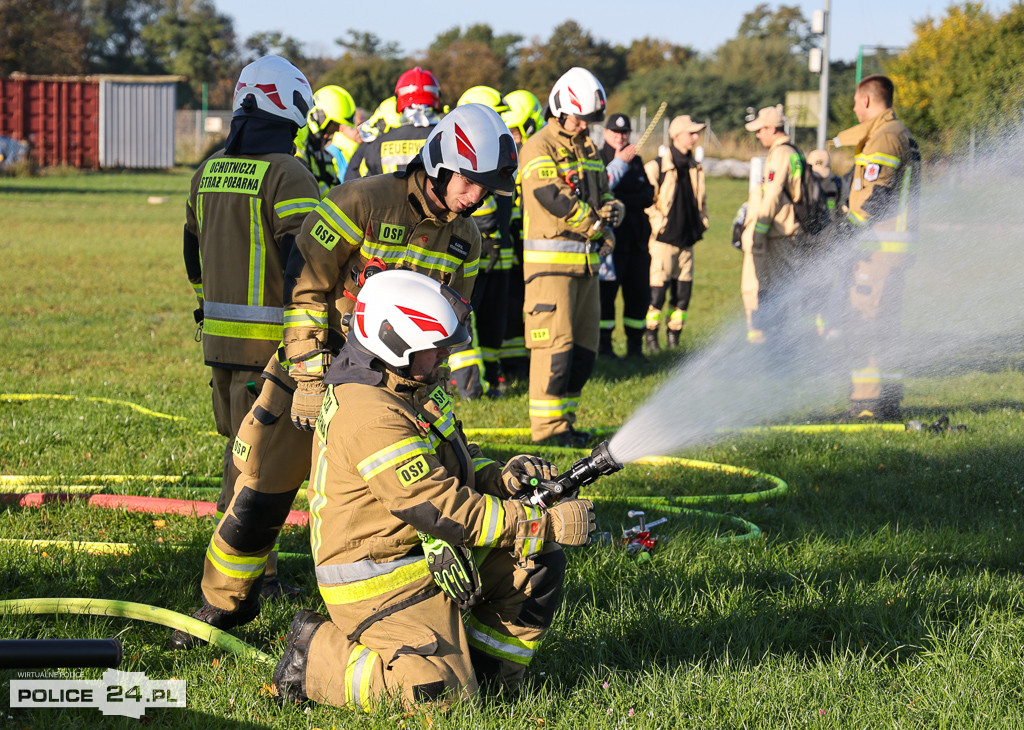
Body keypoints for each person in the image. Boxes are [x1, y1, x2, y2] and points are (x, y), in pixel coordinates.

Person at [170, 103, 518, 650]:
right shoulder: (360, 201)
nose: (475, 199)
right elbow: (306, 285)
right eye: (470, 183)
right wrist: (308, 376)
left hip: (395, 390)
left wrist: (428, 397)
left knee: (412, 489)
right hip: (318, 366)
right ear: (438, 164)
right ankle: (221, 604)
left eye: (486, 190)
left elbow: (452, 323)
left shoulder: (466, 241)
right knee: (261, 491)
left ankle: (383, 605)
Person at [272, 269, 596, 708]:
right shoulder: (370, 414)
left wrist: (500, 478)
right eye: (434, 347)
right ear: (393, 343)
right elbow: (441, 507)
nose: (445, 355)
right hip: (377, 576)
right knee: (437, 696)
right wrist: (540, 523)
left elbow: (453, 458)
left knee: (535, 565)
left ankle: (491, 682)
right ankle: (315, 658)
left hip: (421, 550)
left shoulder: (408, 383)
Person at [182, 54, 319, 571]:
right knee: (261, 468)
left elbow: (192, 257)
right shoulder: (286, 173)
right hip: (275, 352)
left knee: (240, 459)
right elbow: (308, 261)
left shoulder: (206, 173)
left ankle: (241, 566)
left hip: (220, 347)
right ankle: (248, 574)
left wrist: (210, 304)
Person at [519, 67, 622, 446]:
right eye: (580, 118)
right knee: (554, 350)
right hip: (550, 270)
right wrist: (596, 227)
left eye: (590, 120)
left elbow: (602, 192)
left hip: (586, 266)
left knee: (583, 352)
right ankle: (547, 431)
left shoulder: (589, 149)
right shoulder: (538, 146)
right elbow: (552, 196)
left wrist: (613, 212)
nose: (585, 126)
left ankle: (567, 423)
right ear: (560, 109)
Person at [834, 74, 920, 420]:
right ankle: (888, 399)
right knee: (886, 325)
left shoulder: (885, 137)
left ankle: (866, 403)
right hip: (892, 248)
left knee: (864, 322)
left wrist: (846, 231)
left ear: (867, 100)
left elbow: (878, 195)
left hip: (878, 249)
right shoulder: (899, 132)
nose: (855, 109)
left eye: (856, 102)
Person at [448, 86, 514, 399]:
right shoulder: (468, 159)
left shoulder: (493, 155)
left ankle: (488, 378)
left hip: (492, 252)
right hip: (472, 250)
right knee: (464, 317)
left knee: (491, 321)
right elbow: (476, 209)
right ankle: (469, 386)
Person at [742, 105, 808, 343]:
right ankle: (778, 341)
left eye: (760, 130)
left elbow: (771, 195)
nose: (758, 135)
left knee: (775, 289)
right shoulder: (793, 151)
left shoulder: (780, 154)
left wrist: (758, 232)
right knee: (781, 286)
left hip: (779, 232)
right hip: (787, 230)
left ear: (771, 128)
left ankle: (778, 344)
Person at [643, 114, 708, 353]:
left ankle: (674, 338)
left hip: (687, 242)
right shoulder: (656, 166)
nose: (696, 137)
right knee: (657, 294)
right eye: (691, 133)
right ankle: (651, 337)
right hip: (663, 242)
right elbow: (646, 202)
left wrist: (703, 221)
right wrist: (660, 223)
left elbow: (702, 199)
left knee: (682, 296)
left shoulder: (695, 166)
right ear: (677, 135)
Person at [498, 90, 546, 383]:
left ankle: (517, 361)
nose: (513, 137)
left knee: (519, 303)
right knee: (510, 303)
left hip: (526, 240)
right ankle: (512, 364)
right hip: (513, 241)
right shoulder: (516, 156)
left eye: (516, 131)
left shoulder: (534, 154)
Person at [598, 113, 655, 360]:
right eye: (615, 132)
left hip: (637, 241)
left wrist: (624, 201)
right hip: (611, 244)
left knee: (639, 295)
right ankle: (605, 348)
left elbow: (649, 195)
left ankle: (635, 348)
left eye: (624, 133)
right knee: (606, 296)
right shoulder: (598, 160)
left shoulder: (636, 161)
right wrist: (631, 199)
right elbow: (603, 191)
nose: (620, 137)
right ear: (605, 133)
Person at [345, 68, 442, 181]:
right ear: (437, 96)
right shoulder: (447, 138)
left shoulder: (378, 144)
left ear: (398, 99)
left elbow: (356, 185)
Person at [293, 85, 358, 196]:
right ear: (319, 116)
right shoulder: (298, 144)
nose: (336, 131)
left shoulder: (323, 153)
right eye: (334, 126)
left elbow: (334, 186)